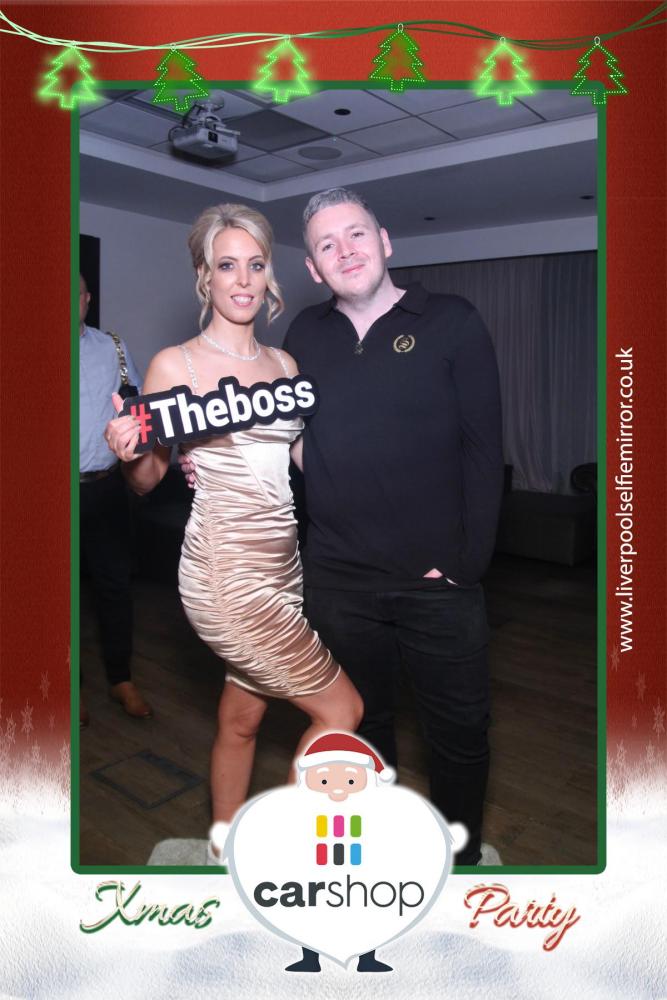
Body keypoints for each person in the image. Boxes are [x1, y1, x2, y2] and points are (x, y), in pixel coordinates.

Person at [105, 204, 363, 862]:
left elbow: (302, 462)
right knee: (341, 713)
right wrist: (130, 449)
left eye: (254, 264)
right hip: (225, 574)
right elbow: (146, 481)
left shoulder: (283, 364)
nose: (242, 279)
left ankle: (223, 850)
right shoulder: (177, 366)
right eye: (227, 265)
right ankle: (281, 857)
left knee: (242, 717)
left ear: (268, 273)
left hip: (283, 568)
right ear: (205, 276)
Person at [281, 188, 505, 866]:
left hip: (437, 581)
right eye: (326, 244)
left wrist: (465, 564)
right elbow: (296, 441)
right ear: (313, 268)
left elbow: (483, 450)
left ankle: (460, 863)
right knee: (359, 728)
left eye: (356, 234)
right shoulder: (303, 335)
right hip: (338, 581)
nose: (344, 250)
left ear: (384, 241)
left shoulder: (451, 321)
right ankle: (378, 853)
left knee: (458, 733)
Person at [79, 273, 153, 725]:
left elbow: (136, 406)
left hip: (106, 486)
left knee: (115, 585)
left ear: (86, 300)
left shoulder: (113, 348)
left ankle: (120, 678)